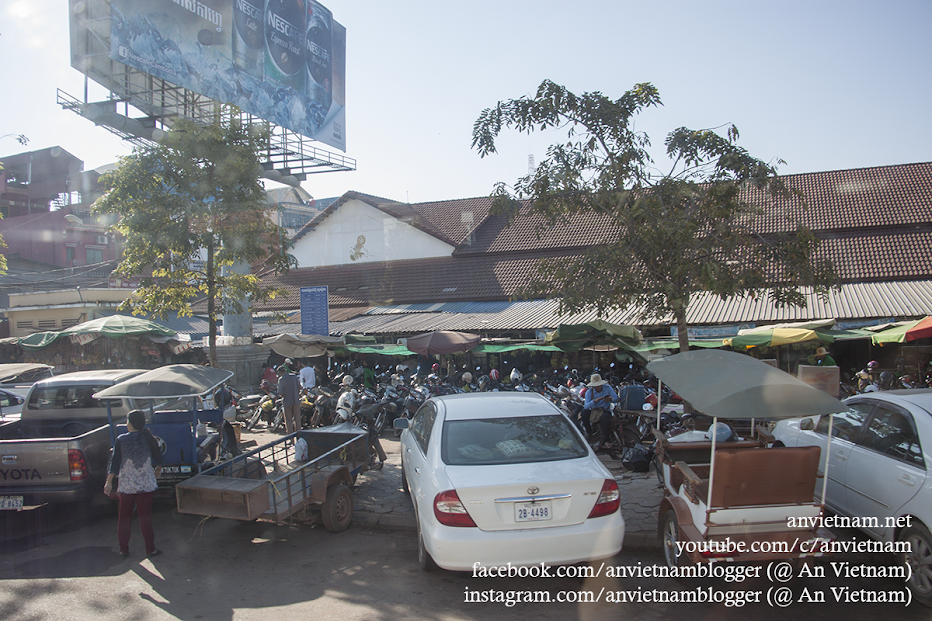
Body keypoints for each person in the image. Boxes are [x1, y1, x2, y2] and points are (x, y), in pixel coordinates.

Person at [104, 409, 163, 559]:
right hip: (145, 484)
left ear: (129, 424)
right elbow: (158, 454)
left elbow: (115, 462)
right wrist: (158, 468)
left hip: (127, 485)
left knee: (124, 517)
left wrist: (109, 482)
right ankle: (150, 549)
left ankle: (124, 549)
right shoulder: (147, 437)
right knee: (145, 517)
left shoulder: (121, 440)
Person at [583, 373, 619, 450]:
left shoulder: (607, 388)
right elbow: (586, 406)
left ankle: (606, 440)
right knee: (584, 413)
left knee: (605, 419)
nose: (598, 387)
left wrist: (610, 399)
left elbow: (616, 398)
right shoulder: (589, 392)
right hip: (594, 411)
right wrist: (595, 401)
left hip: (605, 410)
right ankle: (589, 433)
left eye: (599, 385)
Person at [277, 365, 301, 435]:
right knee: (297, 419)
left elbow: (281, 393)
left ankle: (291, 439)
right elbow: (300, 388)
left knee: (288, 421)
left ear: (280, 373)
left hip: (287, 402)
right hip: (296, 401)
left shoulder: (281, 379)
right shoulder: (294, 376)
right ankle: (299, 436)